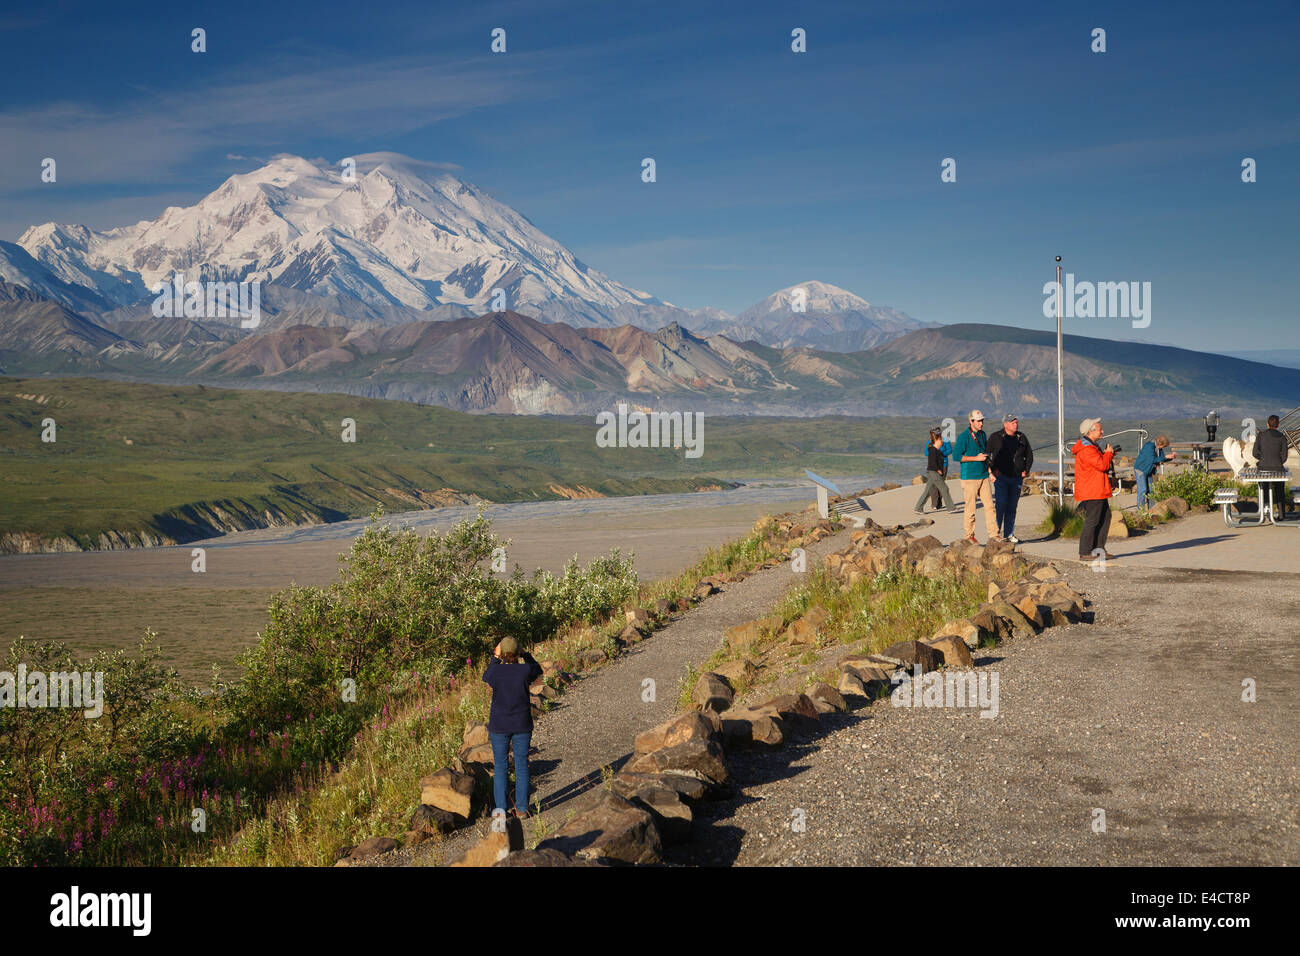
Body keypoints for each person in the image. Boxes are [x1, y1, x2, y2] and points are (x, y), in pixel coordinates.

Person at [481, 636, 543, 818]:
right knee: (522, 765)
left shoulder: (496, 672)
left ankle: (500, 811)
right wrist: (526, 654)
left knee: (501, 767)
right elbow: (538, 670)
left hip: (499, 725)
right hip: (521, 724)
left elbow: (486, 675)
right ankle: (522, 809)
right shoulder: (525, 670)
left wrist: (495, 656)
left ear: (501, 653)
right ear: (518, 653)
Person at [952, 409, 1000, 543]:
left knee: (990, 506)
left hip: (984, 475)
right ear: (971, 421)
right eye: (978, 421)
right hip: (969, 478)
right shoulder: (963, 437)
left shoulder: (983, 435)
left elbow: (984, 456)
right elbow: (956, 456)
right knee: (970, 509)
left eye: (982, 420)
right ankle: (969, 536)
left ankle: (994, 534)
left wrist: (990, 472)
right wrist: (975, 458)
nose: (981, 423)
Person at [1072, 417, 1116, 563]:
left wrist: (1108, 455)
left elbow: (1099, 464)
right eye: (1099, 429)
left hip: (1097, 488)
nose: (1102, 431)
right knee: (1093, 519)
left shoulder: (1091, 447)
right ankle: (1085, 551)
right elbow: (1102, 465)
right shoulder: (1087, 449)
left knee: (1105, 516)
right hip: (1092, 489)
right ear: (1091, 431)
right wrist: (1108, 454)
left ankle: (1098, 549)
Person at [986, 414, 1033, 544]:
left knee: (1012, 506)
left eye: (1016, 422)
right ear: (1005, 424)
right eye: (1012, 422)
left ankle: (1009, 534)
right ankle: (995, 534)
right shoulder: (996, 437)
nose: (1015, 424)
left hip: (1017, 478)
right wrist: (992, 470)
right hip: (1001, 477)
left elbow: (1029, 455)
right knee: (1001, 504)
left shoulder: (1021, 437)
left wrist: (1026, 470)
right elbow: (988, 455)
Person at [1252, 414, 1290, 517]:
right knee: (1279, 490)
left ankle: (1266, 511)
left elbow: (1255, 453)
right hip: (1278, 468)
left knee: (1263, 488)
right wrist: (1277, 461)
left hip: (1263, 468)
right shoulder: (1282, 437)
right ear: (1278, 425)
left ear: (1267, 424)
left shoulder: (1261, 436)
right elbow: (1285, 456)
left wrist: (1264, 459)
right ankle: (1281, 514)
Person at [914, 428, 956, 514]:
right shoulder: (933, 450)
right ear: (936, 440)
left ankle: (918, 508)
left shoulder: (936, 450)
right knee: (944, 488)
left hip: (933, 471)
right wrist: (938, 470)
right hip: (934, 472)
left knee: (928, 490)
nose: (942, 442)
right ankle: (951, 508)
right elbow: (932, 463)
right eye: (941, 440)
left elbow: (947, 452)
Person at [1133, 435, 1176, 509]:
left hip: (1149, 470)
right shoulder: (1149, 446)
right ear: (1160, 444)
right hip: (1140, 469)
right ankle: (1141, 510)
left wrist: (1170, 457)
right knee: (1143, 490)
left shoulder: (1158, 448)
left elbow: (1160, 459)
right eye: (1164, 446)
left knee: (1151, 490)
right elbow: (1152, 460)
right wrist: (1165, 457)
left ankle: (1152, 509)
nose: (1163, 448)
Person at [923, 432, 953, 510]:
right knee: (933, 486)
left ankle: (939, 503)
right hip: (933, 466)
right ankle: (934, 504)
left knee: (941, 484)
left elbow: (950, 450)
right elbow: (926, 453)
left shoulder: (945, 440)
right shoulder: (930, 441)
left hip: (944, 465)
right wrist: (934, 452)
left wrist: (941, 453)